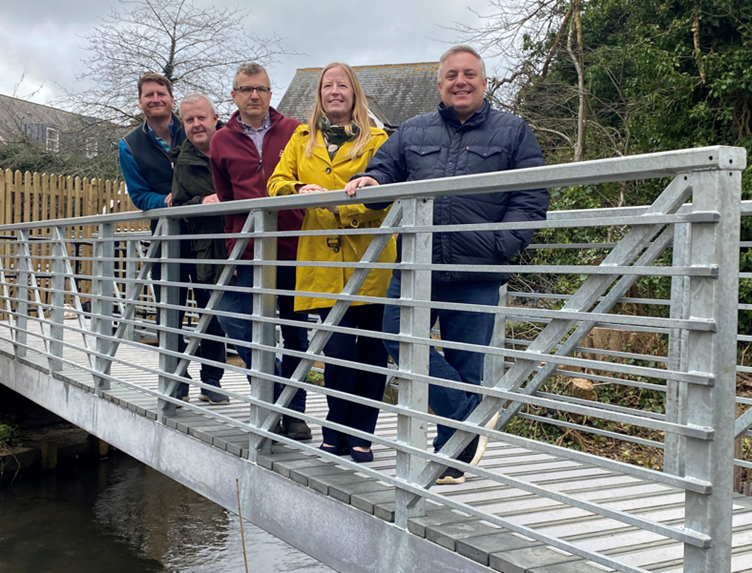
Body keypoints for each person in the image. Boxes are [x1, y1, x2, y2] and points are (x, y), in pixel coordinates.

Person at [345, 45, 550, 483]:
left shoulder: (513, 131)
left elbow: (532, 196)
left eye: (469, 74)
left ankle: (451, 459)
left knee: (466, 361)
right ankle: (471, 414)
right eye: (452, 75)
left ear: (484, 82)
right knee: (396, 335)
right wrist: (373, 180)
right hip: (416, 265)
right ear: (439, 85)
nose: (461, 81)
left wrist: (501, 244)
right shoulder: (413, 130)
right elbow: (385, 168)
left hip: (477, 269)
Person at [268, 63, 396, 464]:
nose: (334, 91)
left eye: (342, 85)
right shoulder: (300, 139)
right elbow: (275, 183)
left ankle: (361, 435)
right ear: (319, 94)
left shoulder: (378, 140)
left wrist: (347, 206)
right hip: (322, 261)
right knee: (337, 350)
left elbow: (389, 192)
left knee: (371, 350)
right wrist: (297, 189)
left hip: (369, 257)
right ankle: (336, 428)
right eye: (328, 85)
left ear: (355, 93)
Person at [209, 62, 311, 440]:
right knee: (243, 324)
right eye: (246, 89)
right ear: (234, 95)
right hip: (250, 250)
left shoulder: (296, 130)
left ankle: (294, 415)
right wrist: (233, 246)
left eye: (262, 89)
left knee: (295, 333)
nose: (255, 96)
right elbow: (228, 200)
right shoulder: (221, 141)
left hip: (294, 246)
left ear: (270, 93)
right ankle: (273, 397)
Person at [118, 72, 194, 403]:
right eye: (148, 95)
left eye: (161, 93)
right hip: (164, 236)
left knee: (213, 304)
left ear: (171, 98)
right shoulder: (129, 145)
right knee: (169, 308)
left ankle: (213, 378)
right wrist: (166, 201)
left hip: (206, 231)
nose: (155, 99)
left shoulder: (193, 126)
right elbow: (138, 194)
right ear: (140, 102)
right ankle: (177, 380)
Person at [169, 92, 230, 405]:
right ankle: (179, 379)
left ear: (214, 119)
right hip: (189, 245)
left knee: (215, 316)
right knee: (174, 316)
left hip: (226, 244)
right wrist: (201, 202)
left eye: (201, 118)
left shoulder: (231, 147)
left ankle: (212, 380)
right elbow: (177, 205)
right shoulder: (182, 159)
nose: (196, 124)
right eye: (189, 119)